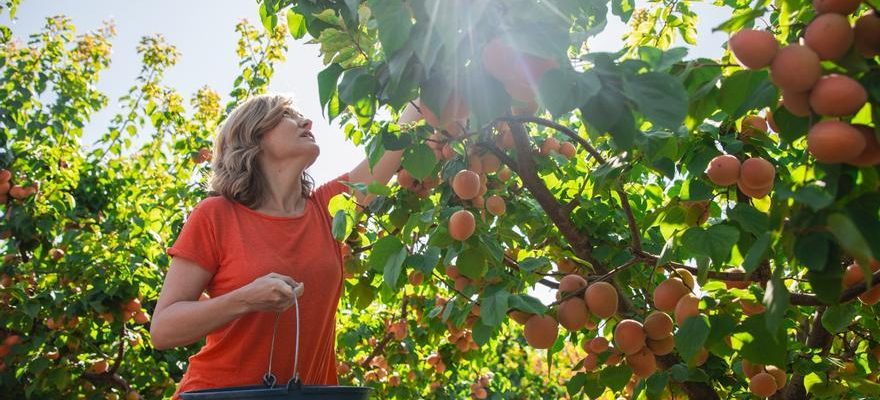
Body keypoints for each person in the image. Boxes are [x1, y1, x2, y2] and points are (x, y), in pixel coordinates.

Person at [150, 93, 423, 399]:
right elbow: (163, 329)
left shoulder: (327, 208)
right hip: (220, 392)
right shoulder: (216, 215)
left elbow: (394, 144)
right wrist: (246, 299)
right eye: (287, 116)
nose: (306, 122)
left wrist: (425, 92)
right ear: (253, 135)